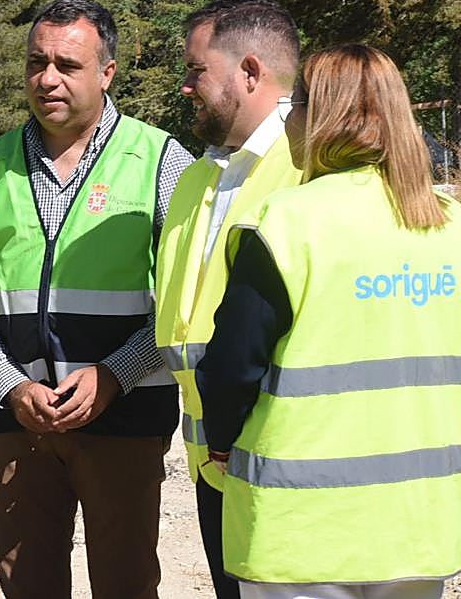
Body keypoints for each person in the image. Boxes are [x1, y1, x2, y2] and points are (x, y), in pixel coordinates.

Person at [0, 0, 193, 598]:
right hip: (17, 422)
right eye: (36, 61)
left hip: (124, 416)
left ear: (107, 73)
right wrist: (7, 383)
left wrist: (117, 373)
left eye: (67, 65)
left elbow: (190, 296)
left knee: (125, 582)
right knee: (27, 584)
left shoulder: (158, 160)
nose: (46, 78)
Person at [196, 44, 461, 599]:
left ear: (323, 117)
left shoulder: (284, 223)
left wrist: (219, 442)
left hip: (302, 531)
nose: (287, 119)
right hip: (420, 524)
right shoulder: (449, 225)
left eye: (295, 106)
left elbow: (230, 368)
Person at [153, 0, 303, 599]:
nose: (186, 87)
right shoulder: (198, 177)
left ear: (249, 71)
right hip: (212, 458)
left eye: (197, 71)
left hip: (280, 455)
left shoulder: (311, 166)